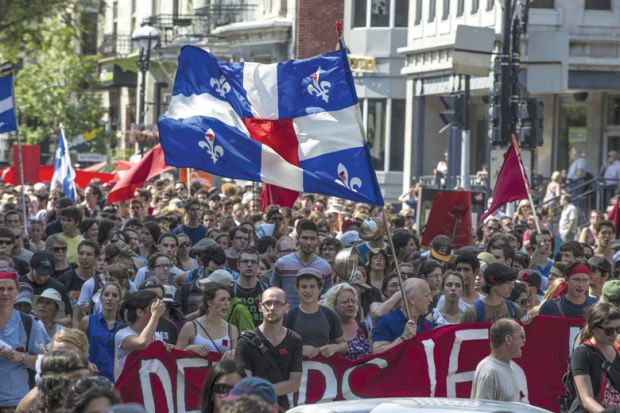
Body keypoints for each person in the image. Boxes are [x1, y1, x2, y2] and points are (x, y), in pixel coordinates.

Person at [234, 287, 303, 411]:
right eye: (268, 303)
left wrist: (261, 391)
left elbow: (294, 384)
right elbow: (246, 384)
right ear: (260, 307)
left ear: (286, 308)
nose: (272, 308)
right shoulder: (245, 341)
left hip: (281, 408)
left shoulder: (295, 340)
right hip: (253, 408)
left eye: (277, 303)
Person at [0, 268, 49, 410]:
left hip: (17, 403)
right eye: (1, 288)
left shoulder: (28, 323)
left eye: (10, 289)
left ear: (17, 291)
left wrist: (22, 357)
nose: (5, 293)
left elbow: (44, 362)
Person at [284, 268, 347, 359]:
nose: (308, 291)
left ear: (320, 289)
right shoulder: (289, 316)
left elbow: (345, 345)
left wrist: (335, 348)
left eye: (312, 286)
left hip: (326, 371)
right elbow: (280, 347)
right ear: (296, 288)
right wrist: (299, 349)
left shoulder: (330, 315)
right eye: (304, 287)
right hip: (297, 371)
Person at [570, 301, 620, 412]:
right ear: (593, 329)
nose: (615, 334)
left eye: (618, 329)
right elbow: (586, 399)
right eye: (609, 330)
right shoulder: (582, 353)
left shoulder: (617, 350)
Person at [271, 219, 332, 308]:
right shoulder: (282, 263)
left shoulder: (325, 267)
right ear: (298, 238)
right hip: (287, 318)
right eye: (305, 238)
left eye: (312, 238)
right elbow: (274, 292)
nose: (308, 242)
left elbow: (328, 298)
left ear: (317, 240)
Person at [114, 290, 168, 379]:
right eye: (154, 306)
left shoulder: (157, 336)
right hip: (128, 387)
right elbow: (143, 343)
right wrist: (155, 315)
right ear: (140, 312)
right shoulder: (122, 334)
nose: (157, 309)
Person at [177, 283, 239, 359]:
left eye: (229, 300)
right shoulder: (191, 326)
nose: (227, 304)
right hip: (196, 370)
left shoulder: (232, 329)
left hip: (220, 370)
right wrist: (189, 348)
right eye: (222, 299)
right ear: (209, 302)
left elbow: (236, 360)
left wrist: (234, 352)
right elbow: (176, 355)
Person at [372, 278, 434, 353]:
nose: (431, 300)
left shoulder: (428, 325)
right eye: (427, 296)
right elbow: (377, 352)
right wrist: (403, 338)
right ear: (412, 299)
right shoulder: (386, 321)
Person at [470, 318, 526, 402]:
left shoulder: (507, 366)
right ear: (508, 339)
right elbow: (483, 410)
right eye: (521, 336)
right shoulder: (489, 371)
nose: (524, 341)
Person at [80, 282, 122, 382]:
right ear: (101, 298)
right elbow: (77, 347)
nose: (110, 298)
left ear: (119, 300)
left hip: (116, 378)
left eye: (114, 295)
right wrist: (86, 362)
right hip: (91, 377)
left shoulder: (125, 326)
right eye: (106, 294)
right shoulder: (87, 321)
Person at [321, 283, 371, 360]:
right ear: (333, 304)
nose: (350, 305)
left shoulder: (362, 327)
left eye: (353, 301)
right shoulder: (327, 328)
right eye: (345, 302)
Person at [235, 248, 269, 327]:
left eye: (253, 262)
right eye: (245, 261)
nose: (249, 265)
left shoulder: (266, 289)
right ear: (238, 265)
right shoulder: (230, 289)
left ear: (258, 266)